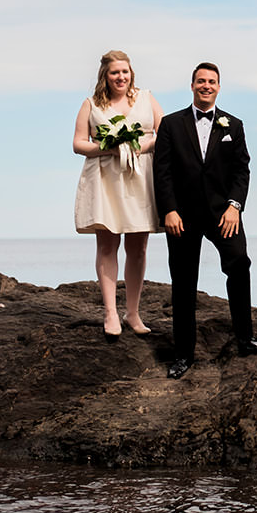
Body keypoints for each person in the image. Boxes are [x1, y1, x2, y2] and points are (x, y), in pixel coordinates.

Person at [153, 62, 257, 379]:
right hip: (182, 217)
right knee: (184, 282)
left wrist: (235, 206)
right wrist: (169, 210)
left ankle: (244, 338)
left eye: (212, 81)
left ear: (218, 87)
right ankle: (183, 355)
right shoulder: (171, 124)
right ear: (192, 86)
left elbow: (242, 170)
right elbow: (162, 173)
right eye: (201, 81)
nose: (206, 86)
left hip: (222, 213)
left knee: (239, 263)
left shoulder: (234, 125)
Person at [72, 49, 164, 340]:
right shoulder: (91, 104)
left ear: (131, 73)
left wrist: (141, 146)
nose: (120, 77)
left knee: (138, 248)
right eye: (115, 72)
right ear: (106, 75)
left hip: (140, 178)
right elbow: (78, 143)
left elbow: (165, 133)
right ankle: (111, 312)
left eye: (124, 72)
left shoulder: (146, 98)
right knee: (107, 245)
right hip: (106, 179)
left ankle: (133, 312)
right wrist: (109, 147)